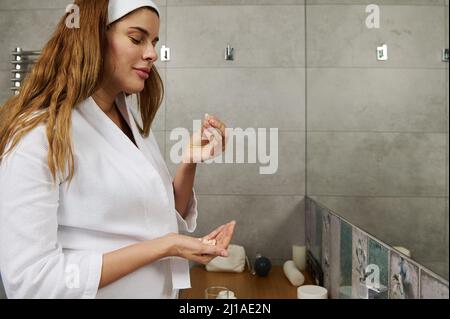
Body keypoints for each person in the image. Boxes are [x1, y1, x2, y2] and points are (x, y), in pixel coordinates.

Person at [0, 0, 235, 299]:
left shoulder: (126, 119)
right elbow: (32, 281)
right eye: (137, 39)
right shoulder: (37, 134)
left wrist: (188, 162)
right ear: (92, 36)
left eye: (153, 42)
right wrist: (167, 246)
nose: (151, 54)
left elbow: (157, 215)